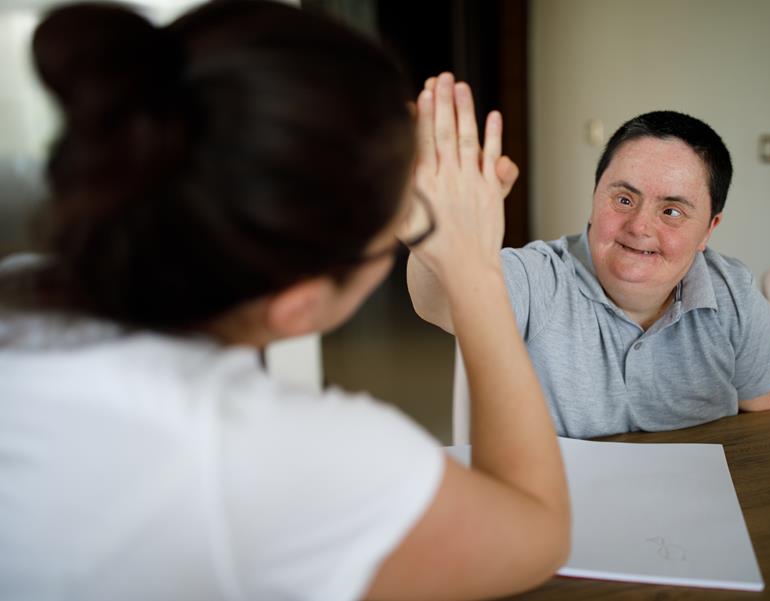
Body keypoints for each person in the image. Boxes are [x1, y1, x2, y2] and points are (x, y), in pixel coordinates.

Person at [0, 2, 570, 600]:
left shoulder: (19, 289)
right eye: (394, 238)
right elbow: (537, 531)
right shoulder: (271, 459)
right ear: (298, 307)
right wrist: (475, 263)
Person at [409, 107, 770, 439]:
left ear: (708, 229)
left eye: (671, 211)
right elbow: (440, 301)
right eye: (623, 199)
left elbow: (755, 424)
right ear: (594, 199)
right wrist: (433, 236)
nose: (639, 227)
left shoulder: (738, 296)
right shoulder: (540, 275)